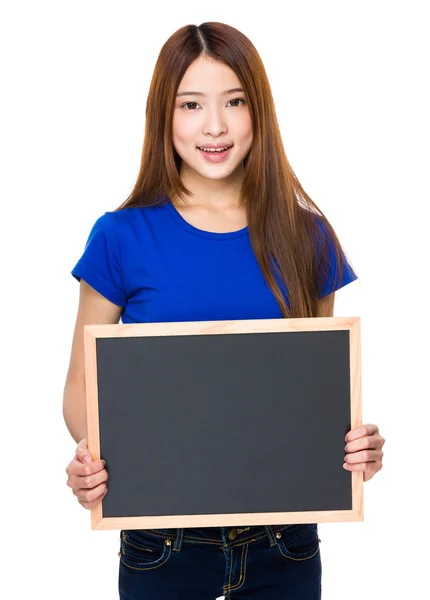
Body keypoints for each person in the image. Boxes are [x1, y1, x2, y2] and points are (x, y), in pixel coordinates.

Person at [63, 21, 385, 600]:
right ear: (165, 115)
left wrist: (357, 447)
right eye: (192, 104)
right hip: (162, 547)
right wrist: (95, 461)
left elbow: (315, 394)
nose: (215, 125)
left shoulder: (305, 236)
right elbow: (80, 392)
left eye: (235, 101)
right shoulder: (120, 238)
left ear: (258, 111)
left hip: (284, 546)